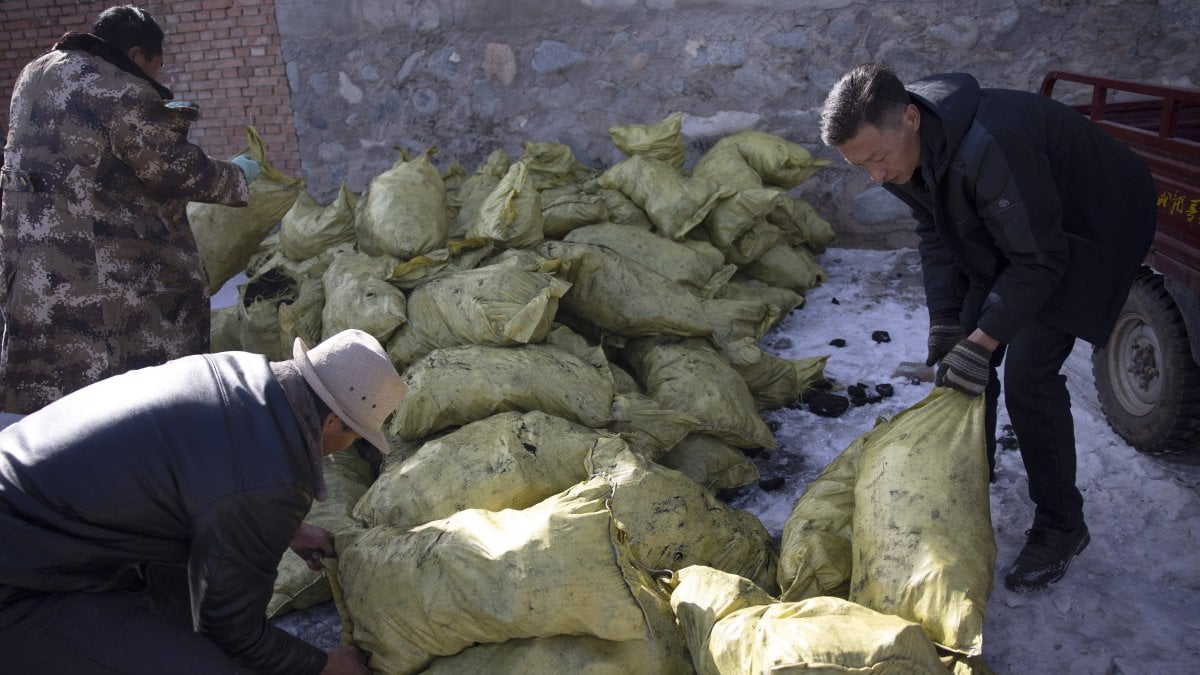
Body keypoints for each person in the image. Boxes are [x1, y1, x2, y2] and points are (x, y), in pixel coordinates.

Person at [819, 64, 1156, 592]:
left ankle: (1062, 526)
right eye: (861, 166)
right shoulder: (903, 152)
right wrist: (947, 324)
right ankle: (971, 469)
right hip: (1021, 223)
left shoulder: (990, 146)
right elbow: (938, 233)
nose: (876, 177)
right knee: (963, 352)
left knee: (1029, 374)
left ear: (910, 118)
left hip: (1090, 222)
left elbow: (1042, 260)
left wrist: (984, 339)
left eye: (878, 159)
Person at [0, 328, 407, 675]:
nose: (339, 451)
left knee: (178, 603)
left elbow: (201, 474)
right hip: (17, 581)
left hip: (27, 515)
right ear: (332, 421)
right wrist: (321, 663)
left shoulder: (236, 374)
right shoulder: (270, 483)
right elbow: (233, 631)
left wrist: (284, 529)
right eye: (353, 437)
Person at [0, 5, 262, 414]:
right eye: (155, 68)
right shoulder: (120, 89)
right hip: (93, 268)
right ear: (137, 54)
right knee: (123, 386)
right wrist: (237, 175)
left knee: (61, 394)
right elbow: (171, 169)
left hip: (33, 262)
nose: (154, 78)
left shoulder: (37, 72)